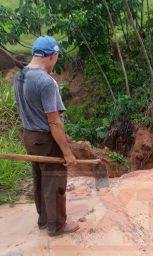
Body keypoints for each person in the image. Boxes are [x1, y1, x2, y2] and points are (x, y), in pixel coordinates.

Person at [13, 35, 79, 236]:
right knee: (54, 180)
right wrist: (67, 152)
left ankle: (44, 220)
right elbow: (54, 122)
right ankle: (57, 225)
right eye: (56, 57)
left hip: (28, 136)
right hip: (45, 138)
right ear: (52, 56)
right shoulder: (46, 82)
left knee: (40, 179)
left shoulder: (20, 75)